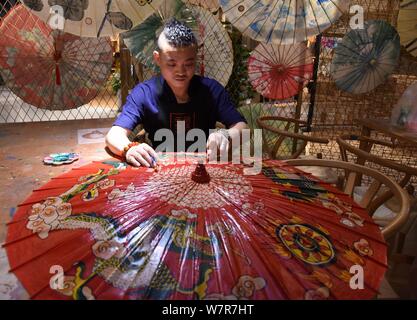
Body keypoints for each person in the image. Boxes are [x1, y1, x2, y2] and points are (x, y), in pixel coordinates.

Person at [105, 18, 247, 168]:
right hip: (159, 168)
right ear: (157, 59)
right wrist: (129, 148)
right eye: (172, 64)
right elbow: (113, 135)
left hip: (204, 168)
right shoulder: (144, 93)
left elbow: (242, 126)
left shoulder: (211, 90)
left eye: (188, 64)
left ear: (196, 59)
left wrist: (225, 135)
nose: (180, 71)